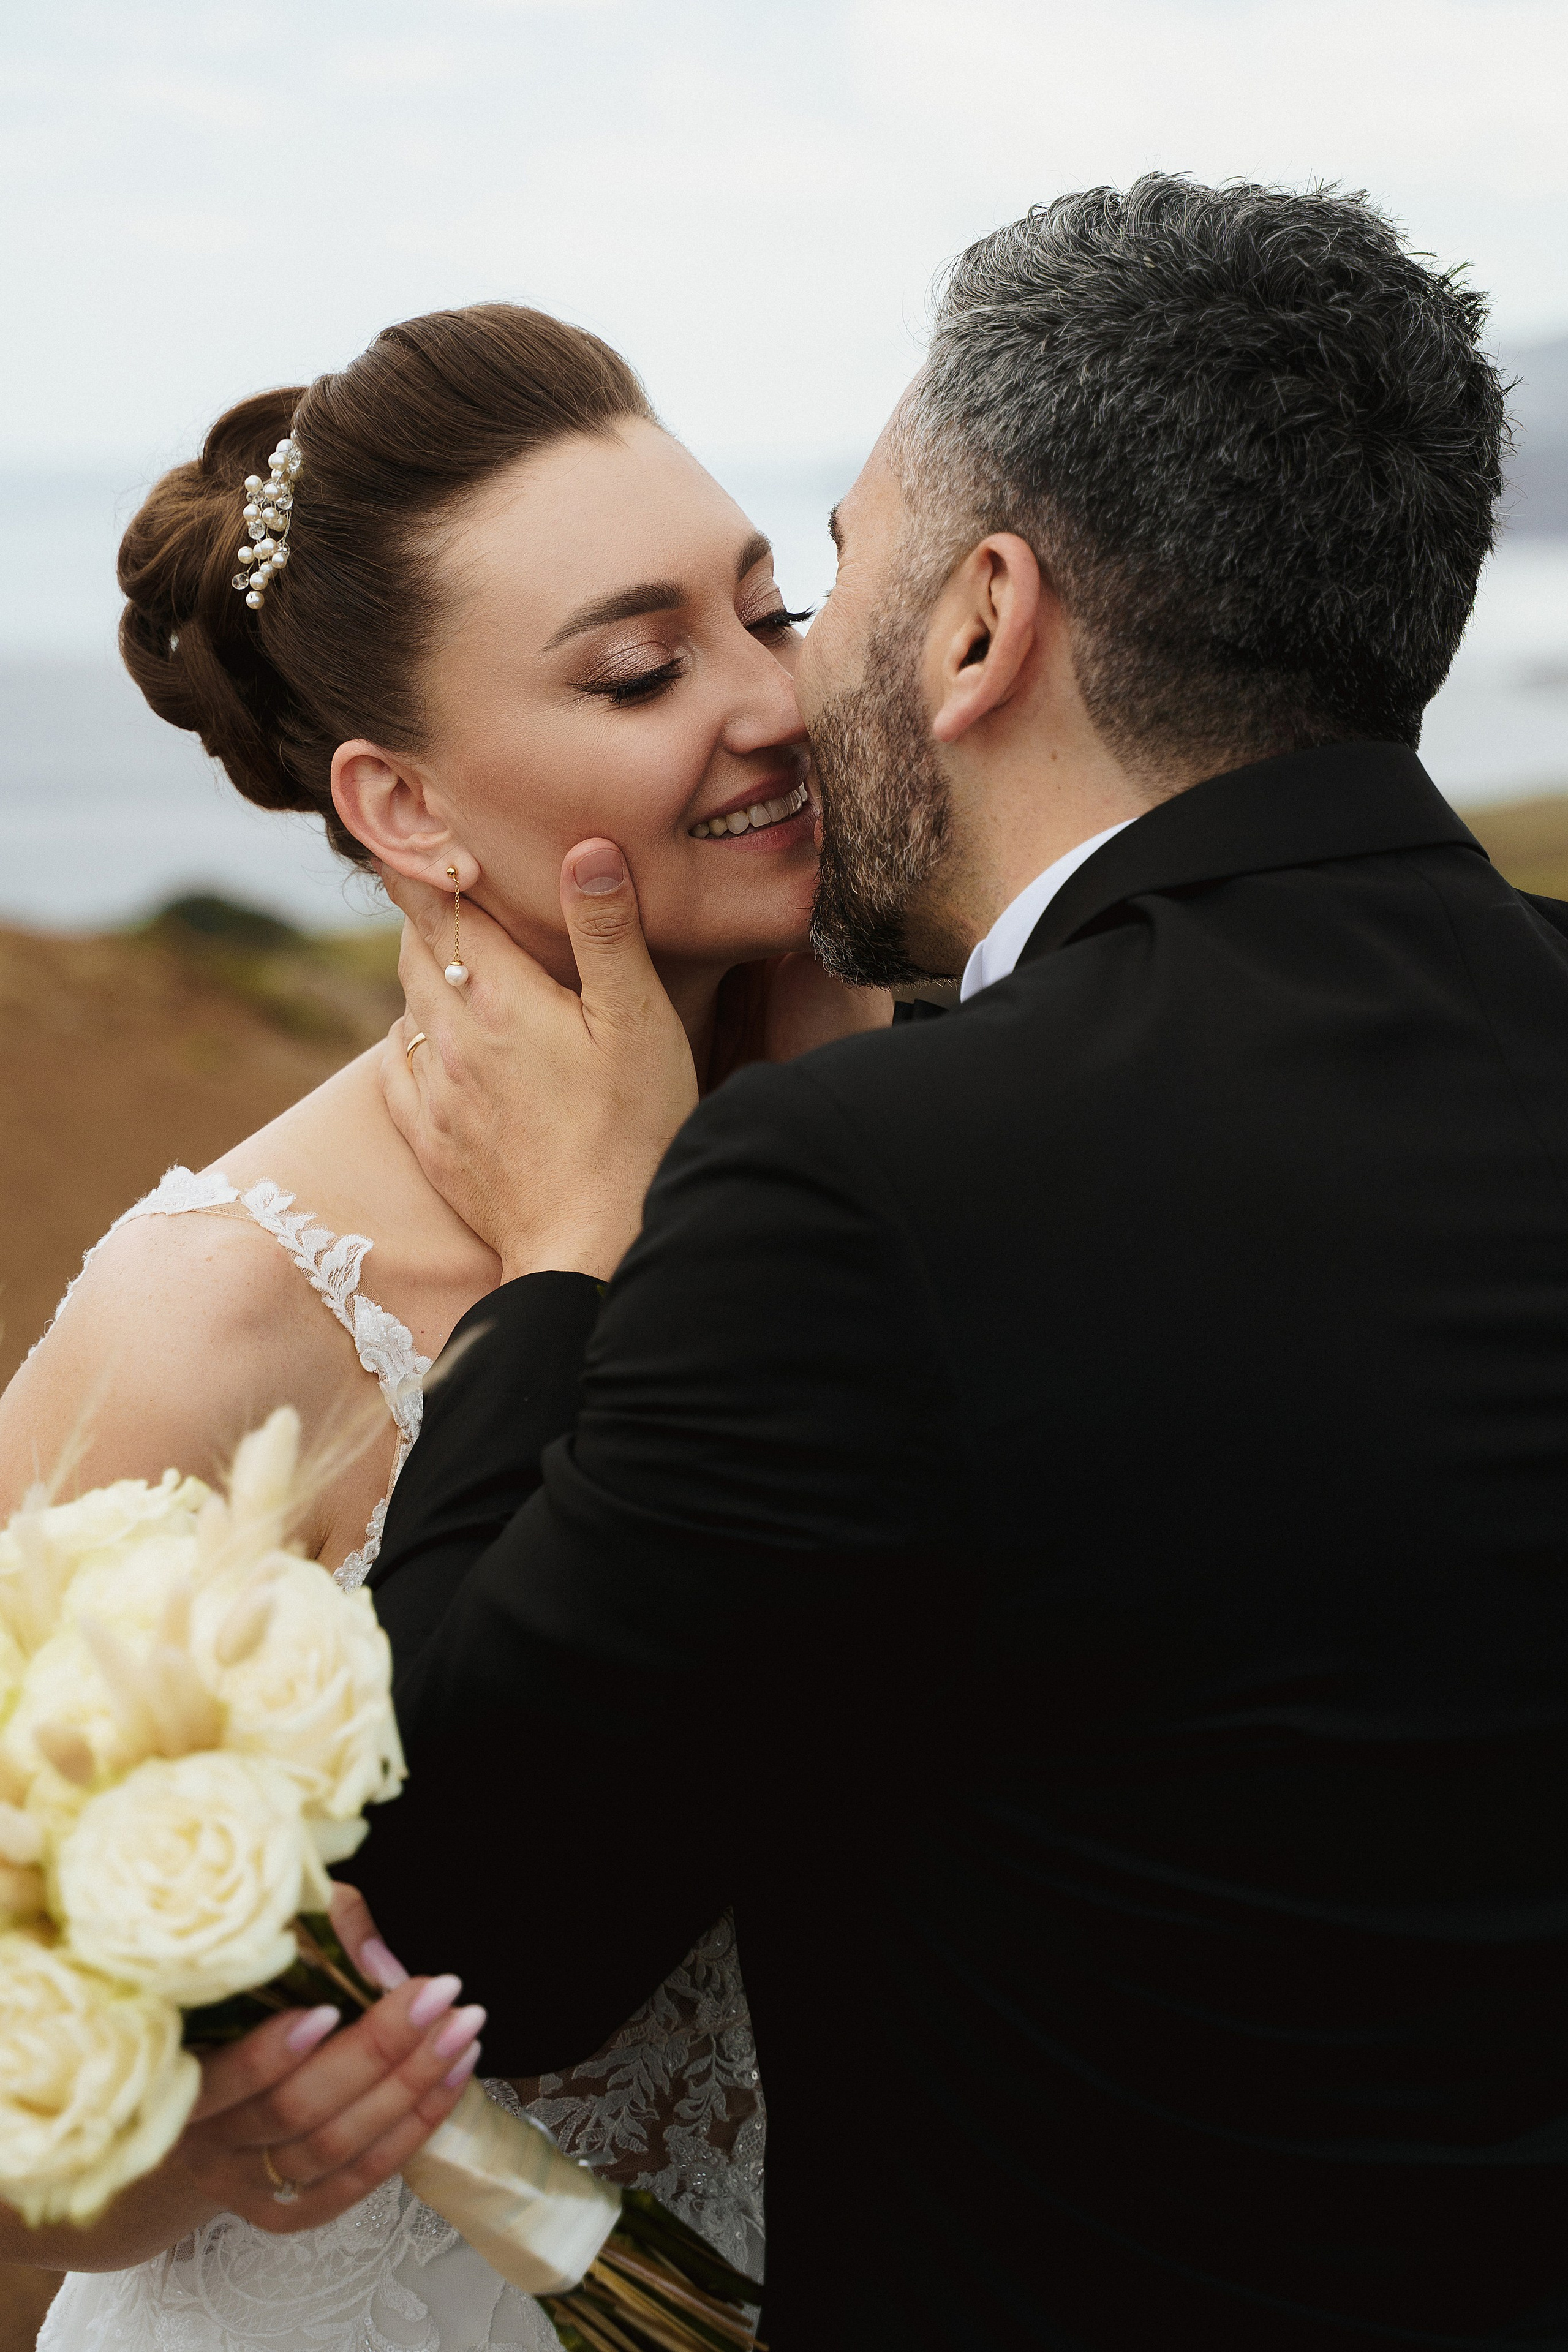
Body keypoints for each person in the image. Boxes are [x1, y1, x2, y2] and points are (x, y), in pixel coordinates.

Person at [350, 179, 1568, 2349]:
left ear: (986, 620)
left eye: (820, 587)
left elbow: (468, 1926)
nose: (786, 686)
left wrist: (560, 1264)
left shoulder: (870, 1187)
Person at [0, 303, 887, 2349]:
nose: (772, 702)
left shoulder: (924, 1142)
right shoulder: (224, 1306)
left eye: (776, 610)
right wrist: (187, 2156)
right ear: (403, 813)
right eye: (648, 669)